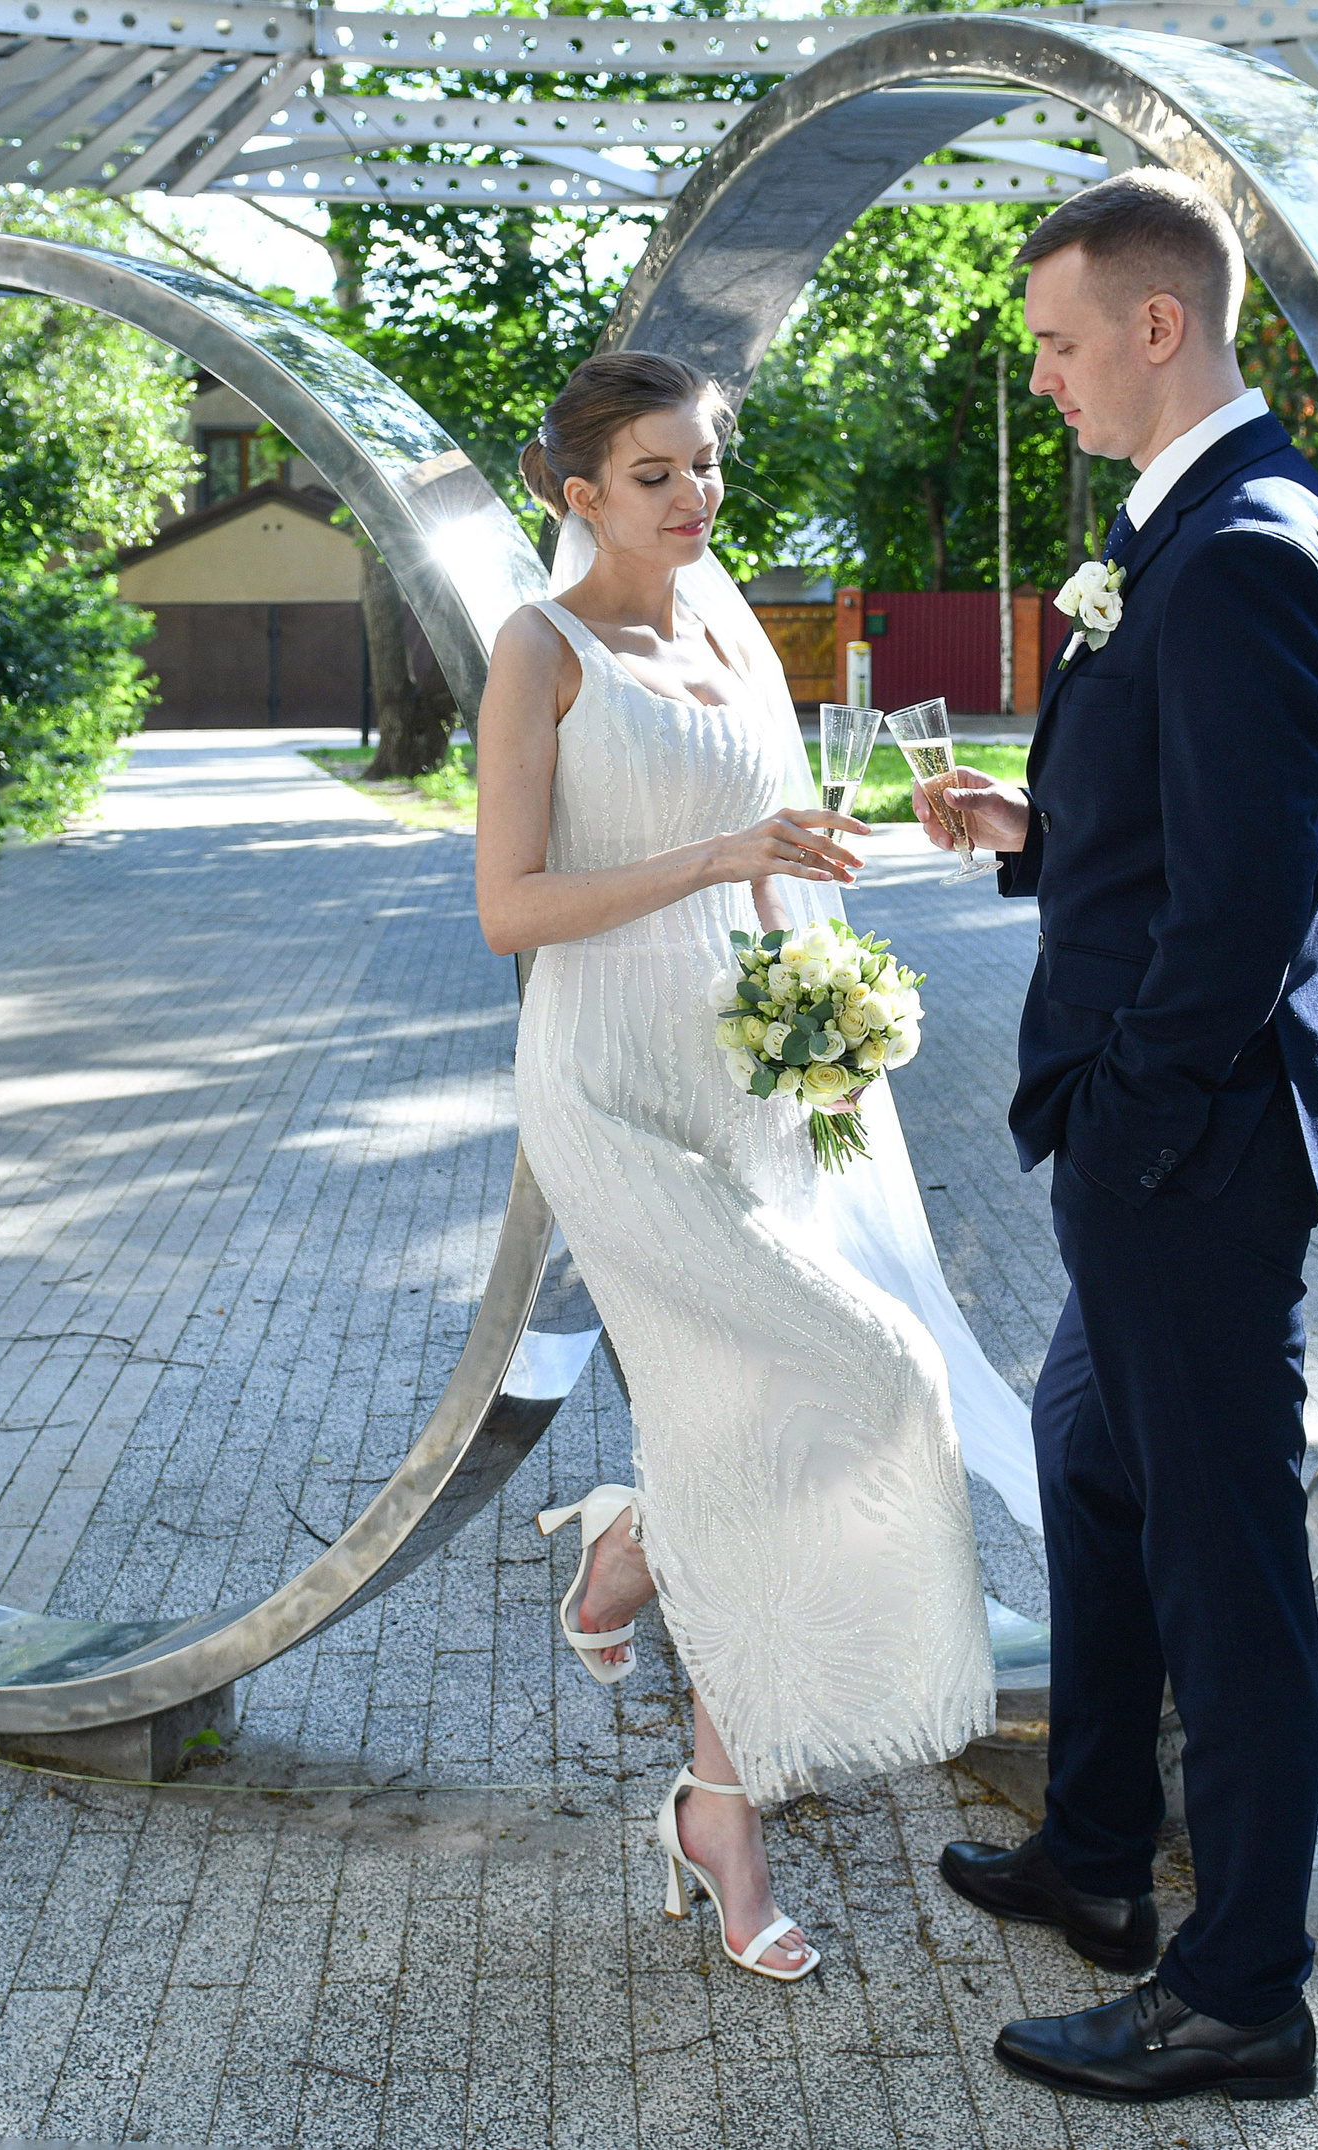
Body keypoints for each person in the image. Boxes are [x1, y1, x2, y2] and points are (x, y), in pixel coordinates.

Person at [478, 351, 1038, 1985]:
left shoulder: (729, 619)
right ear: (579, 494)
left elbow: (786, 837)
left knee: (773, 1429)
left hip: (748, 1073)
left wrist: (840, 950)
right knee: (866, 1373)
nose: (695, 498)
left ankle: (713, 1783)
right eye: (657, 475)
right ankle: (639, 1541)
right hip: (608, 1081)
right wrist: (719, 855)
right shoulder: (542, 650)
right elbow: (512, 907)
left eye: (707, 465)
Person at [916, 169, 1318, 2104]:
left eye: (1055, 339)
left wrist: (1130, 1107)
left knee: (1225, 1562)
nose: (1042, 377)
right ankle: (1099, 1853)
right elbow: (1188, 827)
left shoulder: (1252, 540)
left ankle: (1240, 1989)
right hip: (1150, 1128)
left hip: (1187, 1146)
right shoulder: (1182, 533)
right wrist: (1040, 839)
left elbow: (1256, 910)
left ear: (1158, 326)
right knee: (1088, 1464)